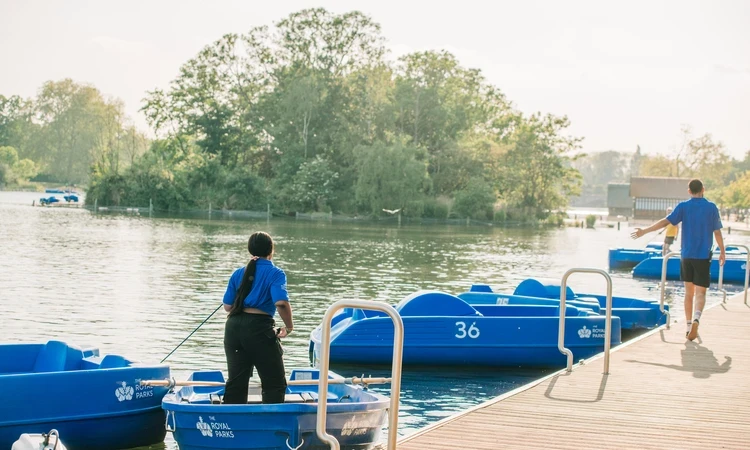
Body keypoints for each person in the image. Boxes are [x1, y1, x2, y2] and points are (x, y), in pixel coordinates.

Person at [631, 179, 725, 341]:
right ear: (703, 189)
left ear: (689, 191)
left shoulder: (683, 207)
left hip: (686, 256)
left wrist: (645, 231)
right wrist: (722, 251)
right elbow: (717, 232)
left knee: (689, 293)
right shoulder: (711, 208)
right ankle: (696, 318)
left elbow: (665, 222)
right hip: (703, 257)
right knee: (701, 293)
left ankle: (688, 326)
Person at [222, 231, 294, 404]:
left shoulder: (239, 273)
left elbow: (227, 307)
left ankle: (232, 424)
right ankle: (271, 425)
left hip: (233, 328)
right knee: (274, 383)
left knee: (236, 383)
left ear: (250, 250)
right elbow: (281, 303)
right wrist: (289, 327)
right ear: (271, 250)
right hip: (258, 329)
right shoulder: (276, 273)